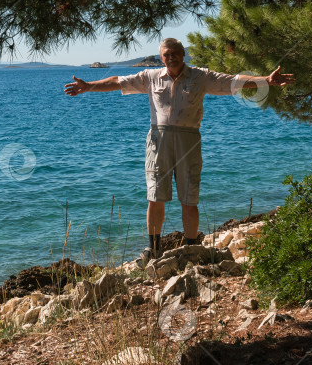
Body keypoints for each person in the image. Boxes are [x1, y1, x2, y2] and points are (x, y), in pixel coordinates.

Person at [64, 38, 295, 265]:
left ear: (183, 54)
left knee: (189, 197)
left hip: (188, 139)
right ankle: (153, 249)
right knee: (155, 197)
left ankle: (191, 247)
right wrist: (88, 87)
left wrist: (265, 80)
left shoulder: (200, 76)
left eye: (175, 53)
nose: (171, 57)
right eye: (166, 54)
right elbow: (118, 81)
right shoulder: (150, 77)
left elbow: (233, 81)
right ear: (162, 57)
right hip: (158, 140)